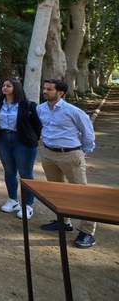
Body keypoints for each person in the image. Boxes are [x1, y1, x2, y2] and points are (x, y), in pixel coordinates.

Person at [36, 78, 97, 248]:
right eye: (44, 88)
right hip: (48, 154)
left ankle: (87, 232)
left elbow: (88, 134)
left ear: (60, 93)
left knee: (80, 193)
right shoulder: (40, 109)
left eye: (49, 89)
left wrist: (83, 151)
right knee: (56, 191)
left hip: (70, 155)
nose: (45, 91)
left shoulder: (73, 111)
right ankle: (63, 222)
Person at [0, 78, 42, 219]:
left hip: (22, 141)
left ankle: (28, 205)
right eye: (3, 85)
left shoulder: (27, 105)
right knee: (9, 171)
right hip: (3, 139)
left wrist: (32, 138)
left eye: (8, 85)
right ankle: (13, 200)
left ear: (17, 88)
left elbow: (37, 125)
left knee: (25, 173)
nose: (5, 87)